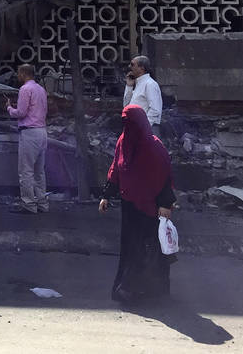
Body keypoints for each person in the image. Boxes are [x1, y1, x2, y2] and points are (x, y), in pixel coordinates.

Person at [99, 105, 176, 305]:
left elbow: (165, 176)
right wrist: (106, 195)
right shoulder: (124, 141)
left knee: (147, 248)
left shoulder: (154, 147)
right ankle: (129, 289)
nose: (128, 127)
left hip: (151, 207)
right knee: (132, 248)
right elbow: (116, 168)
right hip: (130, 205)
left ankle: (145, 291)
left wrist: (165, 204)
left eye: (130, 122)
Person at [6, 63, 48, 214]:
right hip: (42, 131)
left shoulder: (25, 89)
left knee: (26, 171)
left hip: (29, 133)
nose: (18, 76)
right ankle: (42, 204)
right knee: (39, 172)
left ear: (23, 73)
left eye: (18, 73)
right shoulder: (41, 89)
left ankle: (29, 204)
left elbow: (21, 112)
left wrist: (10, 108)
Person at [123, 56, 162, 126]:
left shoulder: (150, 84)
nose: (129, 66)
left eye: (132, 64)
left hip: (146, 129)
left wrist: (144, 126)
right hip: (135, 127)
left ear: (142, 68)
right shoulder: (138, 84)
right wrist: (129, 86)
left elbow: (155, 110)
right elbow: (126, 106)